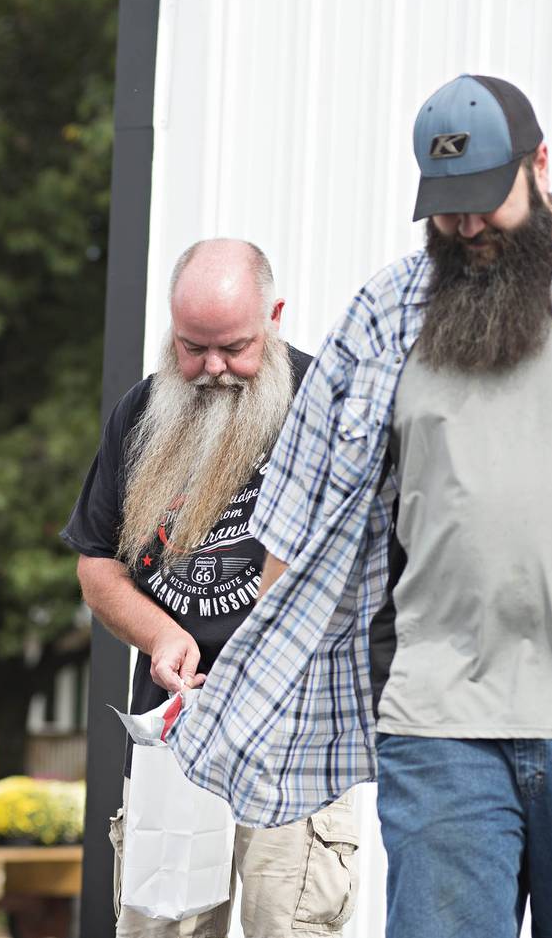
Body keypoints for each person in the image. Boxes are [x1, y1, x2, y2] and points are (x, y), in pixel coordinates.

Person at [168, 75, 552, 937]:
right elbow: (295, 510)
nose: (464, 228)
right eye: (446, 208)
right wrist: (256, 675)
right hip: (439, 727)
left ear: (539, 164)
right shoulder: (387, 314)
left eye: (483, 202)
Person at [63, 239, 359, 937]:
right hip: (174, 738)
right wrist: (162, 634)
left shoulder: (324, 406)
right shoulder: (141, 410)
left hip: (291, 750)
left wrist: (263, 649)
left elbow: (360, 564)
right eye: (193, 346)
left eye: (233, 346)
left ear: (274, 316)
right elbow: (96, 566)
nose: (213, 368)